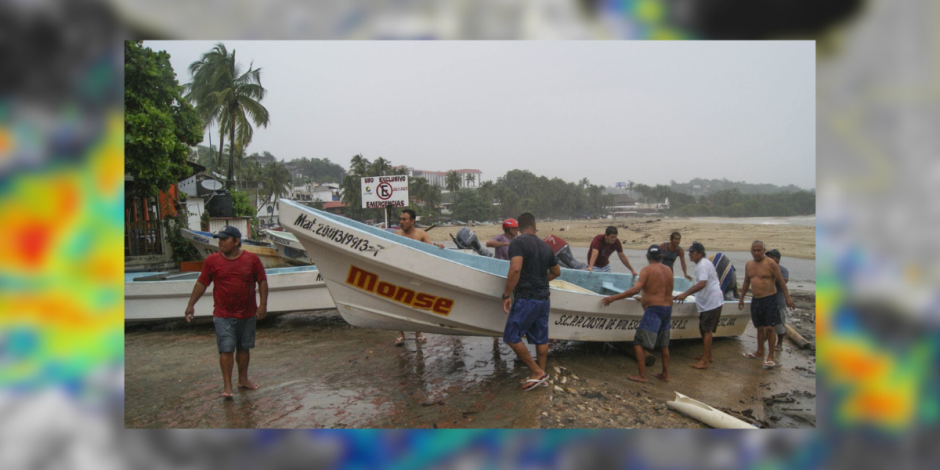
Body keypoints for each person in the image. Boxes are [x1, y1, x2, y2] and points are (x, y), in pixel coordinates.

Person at [184, 226, 268, 399]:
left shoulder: (252, 259)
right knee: (226, 349)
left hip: (247, 313)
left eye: (225, 239)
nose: (220, 242)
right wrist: (191, 304)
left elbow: (262, 282)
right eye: (219, 239)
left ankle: (243, 379)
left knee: (244, 347)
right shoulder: (212, 261)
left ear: (236, 241)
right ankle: (227, 385)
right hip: (223, 314)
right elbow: (202, 283)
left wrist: (263, 305)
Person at [501, 212, 561, 391]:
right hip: (543, 298)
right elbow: (556, 272)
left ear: (518, 228)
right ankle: (540, 374)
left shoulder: (518, 243)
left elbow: (515, 269)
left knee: (511, 336)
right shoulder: (546, 247)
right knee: (541, 338)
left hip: (527, 298)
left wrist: (506, 294)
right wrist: (541, 281)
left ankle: (536, 372)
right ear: (535, 226)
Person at [601, 245, 673, 383]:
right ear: (661, 256)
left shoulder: (647, 270)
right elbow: (663, 290)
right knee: (664, 344)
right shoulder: (668, 270)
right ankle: (665, 374)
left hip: (654, 310)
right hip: (667, 308)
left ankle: (642, 375)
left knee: (638, 342)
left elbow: (635, 289)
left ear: (648, 257)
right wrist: (645, 297)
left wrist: (613, 298)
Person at [738, 241, 795, 369]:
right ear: (751, 251)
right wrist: (741, 298)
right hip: (756, 299)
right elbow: (746, 282)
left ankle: (770, 356)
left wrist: (788, 298)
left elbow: (781, 282)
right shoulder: (749, 264)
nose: (757, 253)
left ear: (764, 251)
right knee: (759, 328)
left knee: (770, 328)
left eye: (759, 250)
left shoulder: (771, 264)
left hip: (770, 299)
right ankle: (759, 352)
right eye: (754, 250)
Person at [393, 209, 445, 345]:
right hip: (402, 272)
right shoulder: (397, 234)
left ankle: (418, 332)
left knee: (416, 303)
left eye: (404, 219)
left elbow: (431, 251)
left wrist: (438, 247)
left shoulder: (421, 234)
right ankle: (400, 333)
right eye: (400, 219)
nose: (401, 222)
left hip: (418, 273)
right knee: (399, 303)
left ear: (412, 221)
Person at [674, 242, 724, 369]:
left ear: (700, 253)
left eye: (692, 252)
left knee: (706, 330)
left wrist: (685, 294)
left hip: (712, 302)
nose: (690, 254)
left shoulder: (702, 265)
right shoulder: (703, 263)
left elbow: (702, 283)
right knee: (703, 329)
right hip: (709, 302)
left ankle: (705, 361)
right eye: (690, 252)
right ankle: (708, 355)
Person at [765, 249, 790, 352]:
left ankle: (779, 343)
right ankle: (765, 341)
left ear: (778, 259)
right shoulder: (764, 268)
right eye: (768, 256)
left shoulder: (783, 270)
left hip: (778, 300)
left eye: (772, 256)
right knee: (765, 324)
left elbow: (783, 281)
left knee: (780, 324)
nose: (769, 258)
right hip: (766, 300)